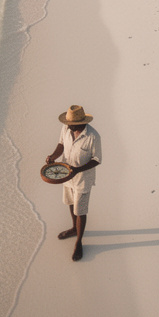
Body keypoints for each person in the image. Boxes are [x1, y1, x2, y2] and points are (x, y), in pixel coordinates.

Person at [45, 104, 101, 261]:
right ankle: (73, 228)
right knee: (70, 203)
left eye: (70, 124)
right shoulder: (66, 129)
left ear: (80, 123)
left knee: (80, 210)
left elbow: (97, 159)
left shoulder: (93, 136)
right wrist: (53, 156)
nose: (67, 127)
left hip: (83, 179)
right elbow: (61, 144)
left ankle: (79, 242)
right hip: (66, 175)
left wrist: (78, 169)